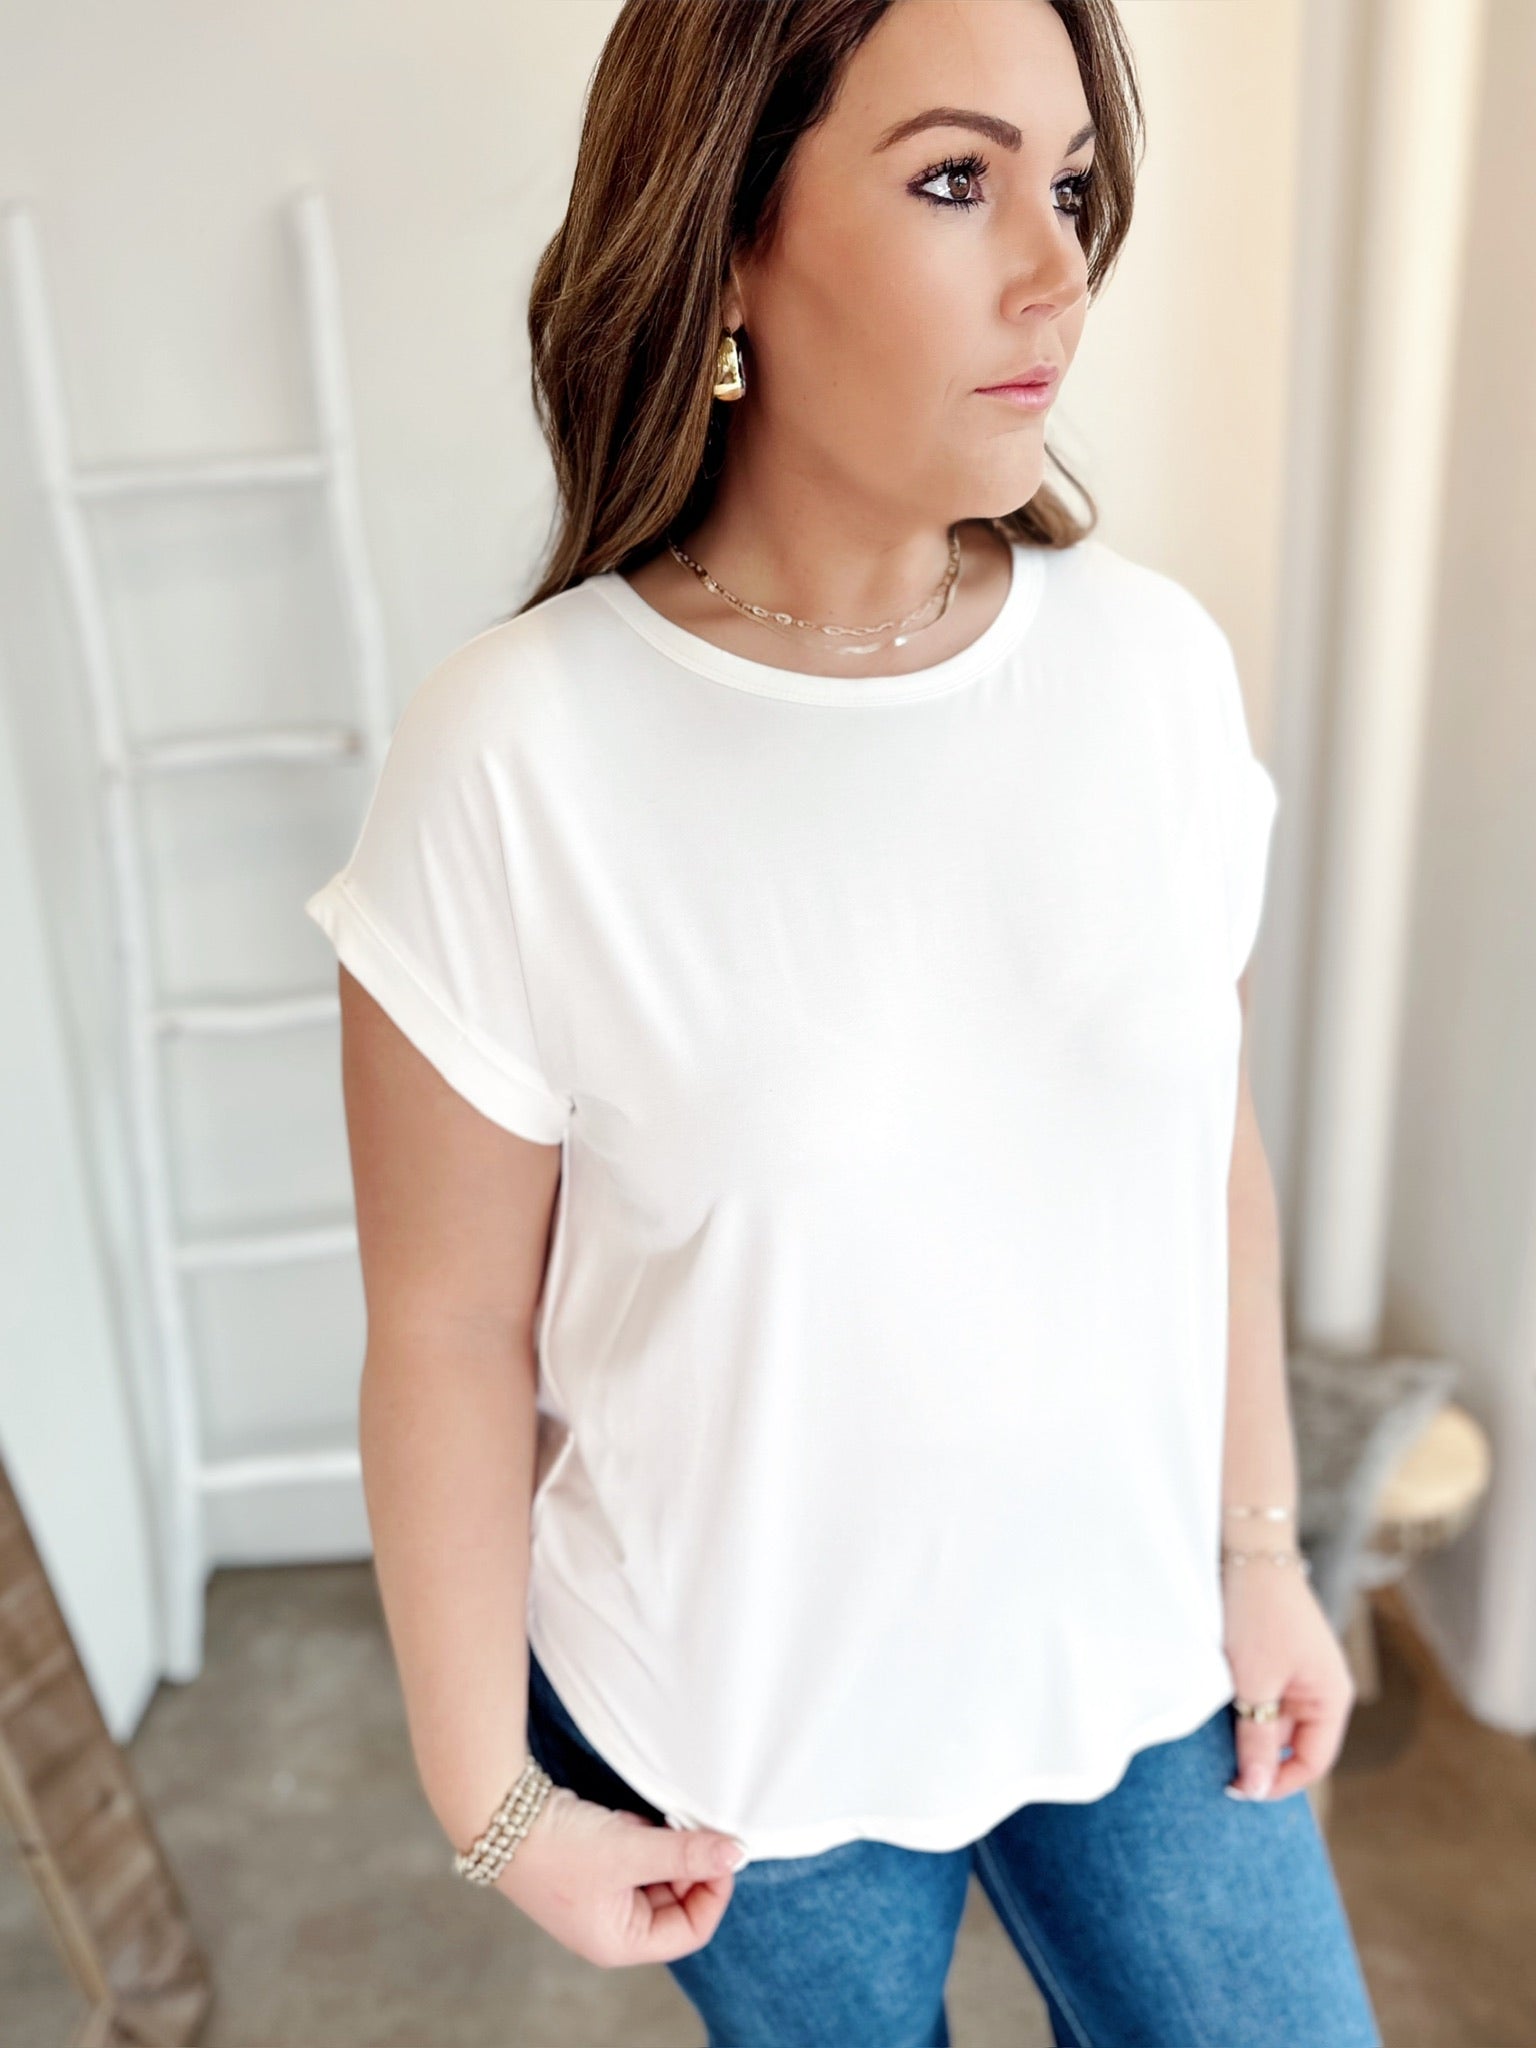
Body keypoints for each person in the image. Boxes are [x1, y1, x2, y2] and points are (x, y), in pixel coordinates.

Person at [305, 2, 1385, 2042]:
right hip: (737, 1743)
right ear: (728, 234)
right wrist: (492, 1797)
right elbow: (448, 1327)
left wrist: (1260, 1550)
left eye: (1072, 183)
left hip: (1139, 1659)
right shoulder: (520, 755)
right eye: (957, 178)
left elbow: (1205, 1149)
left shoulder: (1155, 674)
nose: (1059, 267)